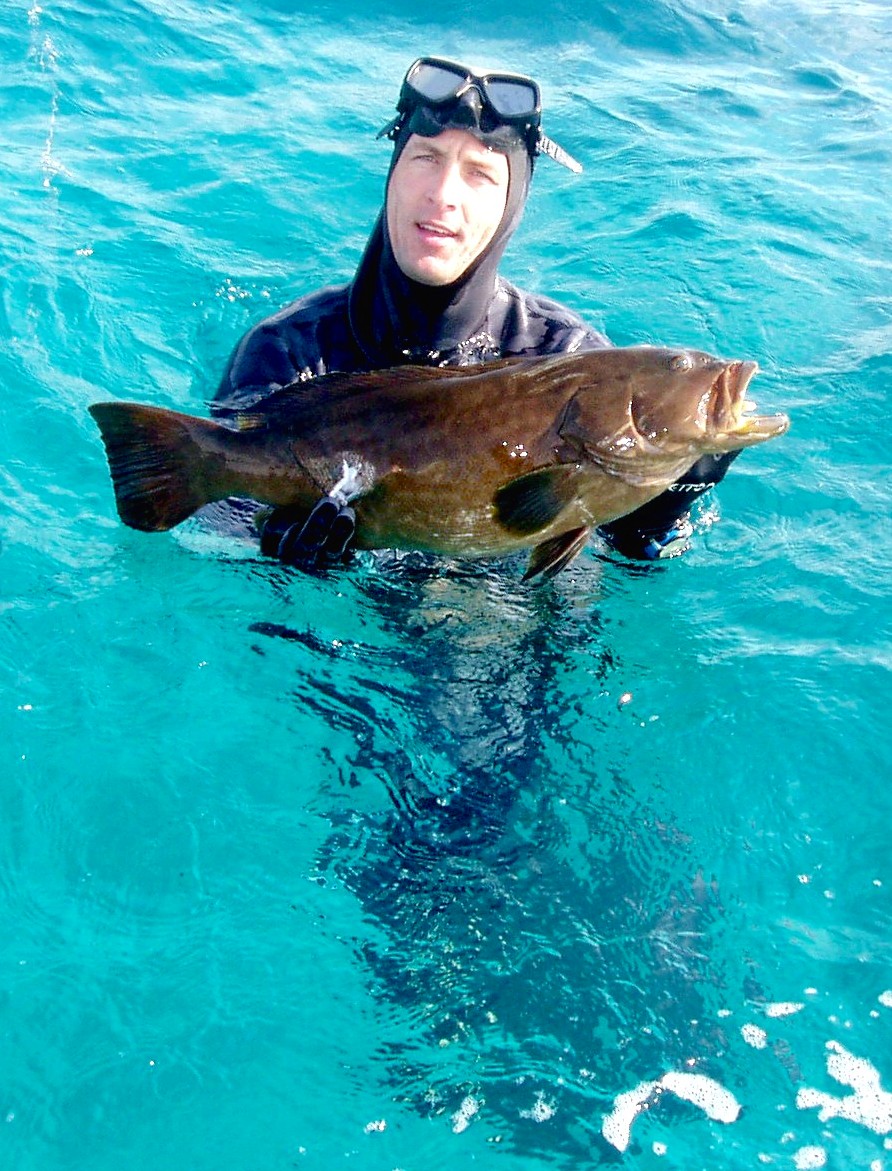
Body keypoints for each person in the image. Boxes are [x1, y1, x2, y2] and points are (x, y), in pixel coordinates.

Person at [212, 56, 740, 569]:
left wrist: (669, 503)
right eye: (426, 158)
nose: (444, 194)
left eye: (481, 174)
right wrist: (266, 547)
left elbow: (631, 559)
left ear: (513, 202)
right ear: (393, 171)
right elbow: (216, 512)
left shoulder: (568, 358)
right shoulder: (288, 351)